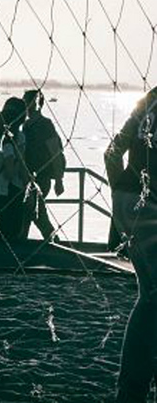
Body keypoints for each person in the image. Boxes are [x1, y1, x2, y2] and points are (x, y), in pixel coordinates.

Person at [105, 86, 157, 403]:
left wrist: (119, 193)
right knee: (152, 297)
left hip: (129, 199)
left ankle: (132, 388)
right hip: (148, 203)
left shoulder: (150, 98)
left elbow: (111, 151)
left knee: (149, 296)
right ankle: (132, 389)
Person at [0, 96, 30, 241]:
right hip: (8, 195)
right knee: (11, 236)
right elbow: (10, 173)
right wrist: (20, 156)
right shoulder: (12, 141)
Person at [22, 89, 65, 241]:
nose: (25, 107)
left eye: (26, 103)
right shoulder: (25, 125)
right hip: (26, 177)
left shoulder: (45, 125)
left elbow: (55, 152)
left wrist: (59, 180)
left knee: (34, 212)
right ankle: (51, 239)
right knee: (32, 212)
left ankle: (52, 240)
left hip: (41, 177)